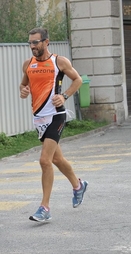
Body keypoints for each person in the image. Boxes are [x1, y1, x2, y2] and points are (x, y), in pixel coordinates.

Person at [19, 28, 88, 222]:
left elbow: (78, 79)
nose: (32, 46)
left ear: (46, 42)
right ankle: (78, 186)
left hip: (56, 116)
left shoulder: (59, 62)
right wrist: (23, 91)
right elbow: (23, 85)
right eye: (30, 43)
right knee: (57, 160)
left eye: (36, 42)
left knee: (44, 160)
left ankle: (45, 207)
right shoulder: (28, 64)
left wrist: (64, 96)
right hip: (39, 118)